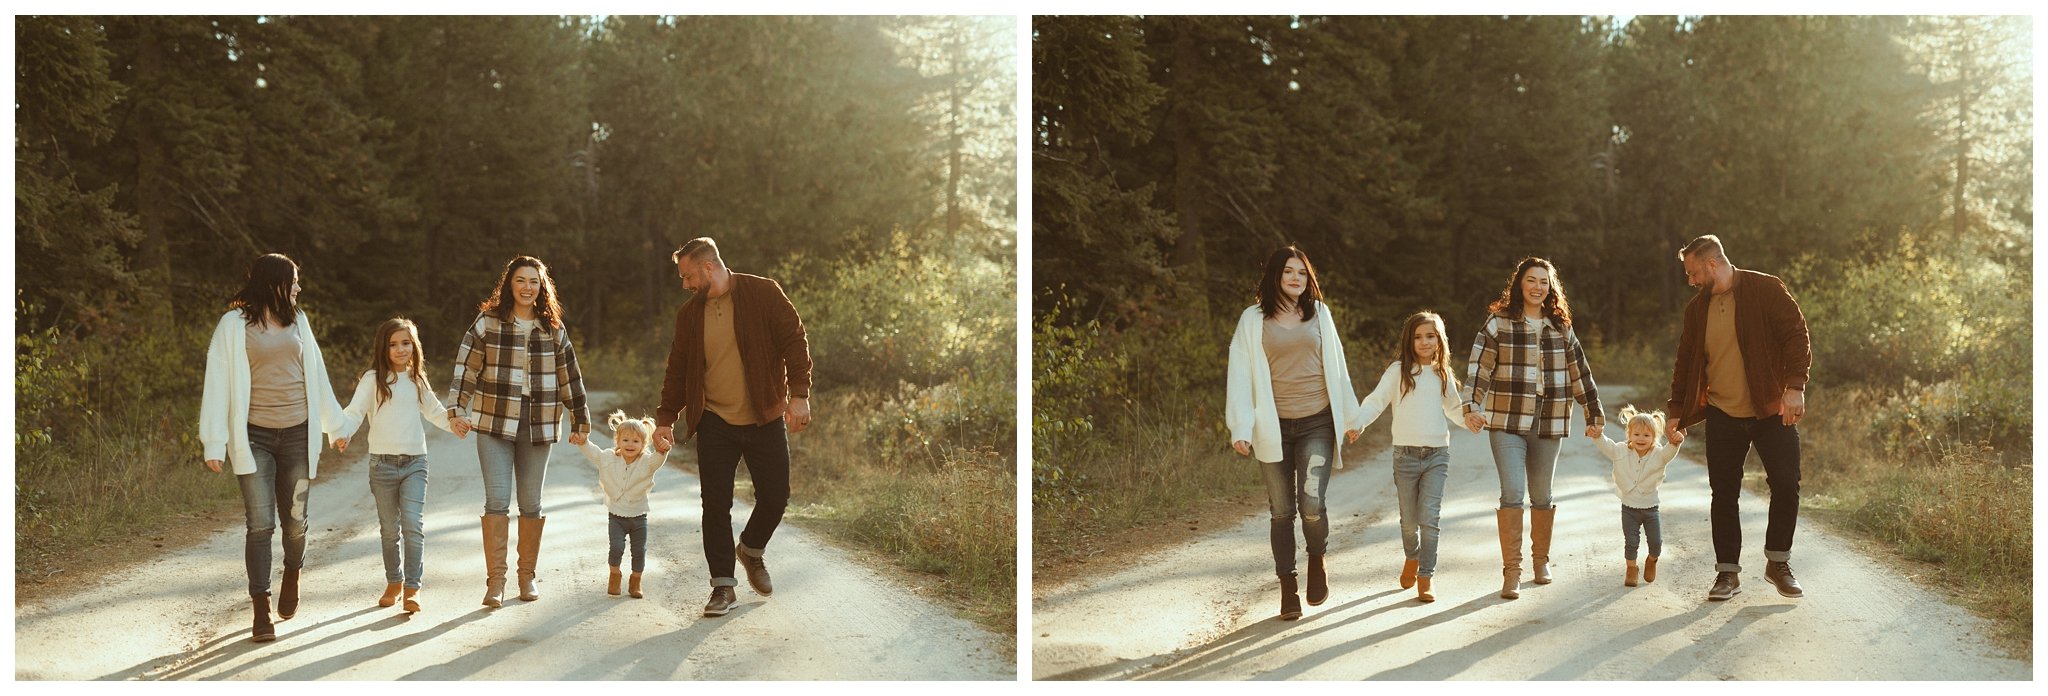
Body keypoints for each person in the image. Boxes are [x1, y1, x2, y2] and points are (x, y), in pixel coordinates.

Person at [651, 237, 813, 618]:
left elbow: (795, 340)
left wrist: (800, 394)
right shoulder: (689, 314)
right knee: (716, 505)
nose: (685, 284)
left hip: (764, 415)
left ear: (709, 267)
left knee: (776, 497)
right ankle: (722, 586)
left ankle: (751, 550)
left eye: (689, 275)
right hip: (715, 421)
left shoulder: (763, 292)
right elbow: (677, 369)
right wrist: (664, 419)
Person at [198, 253, 351, 642]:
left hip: (298, 435)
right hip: (254, 437)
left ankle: (293, 573)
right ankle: (261, 608)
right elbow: (217, 383)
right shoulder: (233, 325)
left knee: (296, 521)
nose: (299, 288)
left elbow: (316, 374)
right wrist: (215, 441)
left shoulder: (298, 320)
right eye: (294, 281)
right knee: (260, 523)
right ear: (274, 283)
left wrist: (335, 427)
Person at [1664, 235, 1812, 601]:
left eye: (1694, 272)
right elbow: (1685, 363)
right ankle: (1727, 574)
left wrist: (1795, 386)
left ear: (1712, 264)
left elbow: (1797, 335)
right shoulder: (1696, 310)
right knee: (1724, 493)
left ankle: (1778, 562)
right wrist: (1675, 411)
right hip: (1722, 413)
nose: (1691, 281)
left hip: (1769, 409)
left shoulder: (1765, 289)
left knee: (1785, 482)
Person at [1226, 245, 1367, 620]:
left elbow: (1338, 368)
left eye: (1302, 273)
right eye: (1289, 272)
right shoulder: (1252, 320)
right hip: (1273, 426)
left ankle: (1316, 559)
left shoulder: (1319, 313)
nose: (1296, 278)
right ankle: (1288, 588)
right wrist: (1240, 426)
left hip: (1317, 421)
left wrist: (1350, 417)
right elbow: (1239, 377)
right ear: (1275, 275)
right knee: (1281, 511)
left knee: (1310, 503)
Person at [447, 256, 592, 607]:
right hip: (494, 421)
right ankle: (495, 582)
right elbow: (466, 367)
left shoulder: (553, 329)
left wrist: (580, 419)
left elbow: (569, 376)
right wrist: (456, 409)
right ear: (509, 285)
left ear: (542, 288)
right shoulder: (488, 323)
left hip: (538, 422)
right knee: (496, 501)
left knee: (531, 503)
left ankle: (526, 576)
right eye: (521, 281)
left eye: (534, 282)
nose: (528, 287)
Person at [1462, 257, 1605, 600]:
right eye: (1531, 280)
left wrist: (1593, 411)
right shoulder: (1498, 324)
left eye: (1544, 281)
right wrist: (1471, 406)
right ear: (1519, 285)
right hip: (1506, 419)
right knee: (1511, 492)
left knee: (1542, 495)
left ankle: (1541, 560)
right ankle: (1512, 571)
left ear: (1550, 287)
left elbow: (1579, 372)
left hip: (1549, 418)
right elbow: (1479, 368)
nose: (1538, 286)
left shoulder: (1561, 327)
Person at [1345, 311, 1480, 603]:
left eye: (1430, 336)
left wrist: (1469, 420)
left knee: (1429, 518)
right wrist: (1359, 422)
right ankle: (1411, 557)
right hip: (1404, 456)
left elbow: (1455, 410)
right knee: (1409, 521)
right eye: (1418, 337)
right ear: (1409, 340)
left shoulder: (1443, 374)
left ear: (1439, 339)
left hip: (1437, 456)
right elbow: (1376, 401)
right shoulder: (1398, 371)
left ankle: (1426, 577)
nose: (1424, 342)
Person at [333, 318, 463, 614]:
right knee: (390, 529)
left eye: (406, 343)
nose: (400, 349)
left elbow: (436, 413)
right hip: (382, 465)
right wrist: (344, 432)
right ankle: (394, 581)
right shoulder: (372, 380)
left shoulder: (417, 379)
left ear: (414, 346)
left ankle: (412, 588)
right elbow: (354, 413)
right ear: (384, 347)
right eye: (393, 344)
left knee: (412, 525)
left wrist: (454, 424)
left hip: (416, 462)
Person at [578, 411, 670, 599]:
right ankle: (615, 575)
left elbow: (658, 459)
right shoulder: (608, 458)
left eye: (636, 441)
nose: (630, 444)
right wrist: (582, 441)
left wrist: (663, 449)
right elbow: (592, 452)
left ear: (643, 444)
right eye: (626, 440)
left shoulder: (647, 462)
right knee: (616, 548)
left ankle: (635, 581)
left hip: (639, 516)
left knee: (639, 551)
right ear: (617, 441)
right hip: (616, 516)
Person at [1592, 405, 1677, 587]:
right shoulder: (1621, 450)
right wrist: (1597, 435)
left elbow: (1670, 452)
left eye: (1646, 435)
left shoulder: (1658, 454)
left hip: (1650, 508)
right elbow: (1607, 446)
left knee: (1656, 543)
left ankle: (1651, 561)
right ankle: (1631, 569)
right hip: (1629, 508)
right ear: (1629, 435)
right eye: (1636, 434)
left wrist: (1676, 442)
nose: (1641, 439)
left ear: (1654, 437)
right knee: (1631, 542)